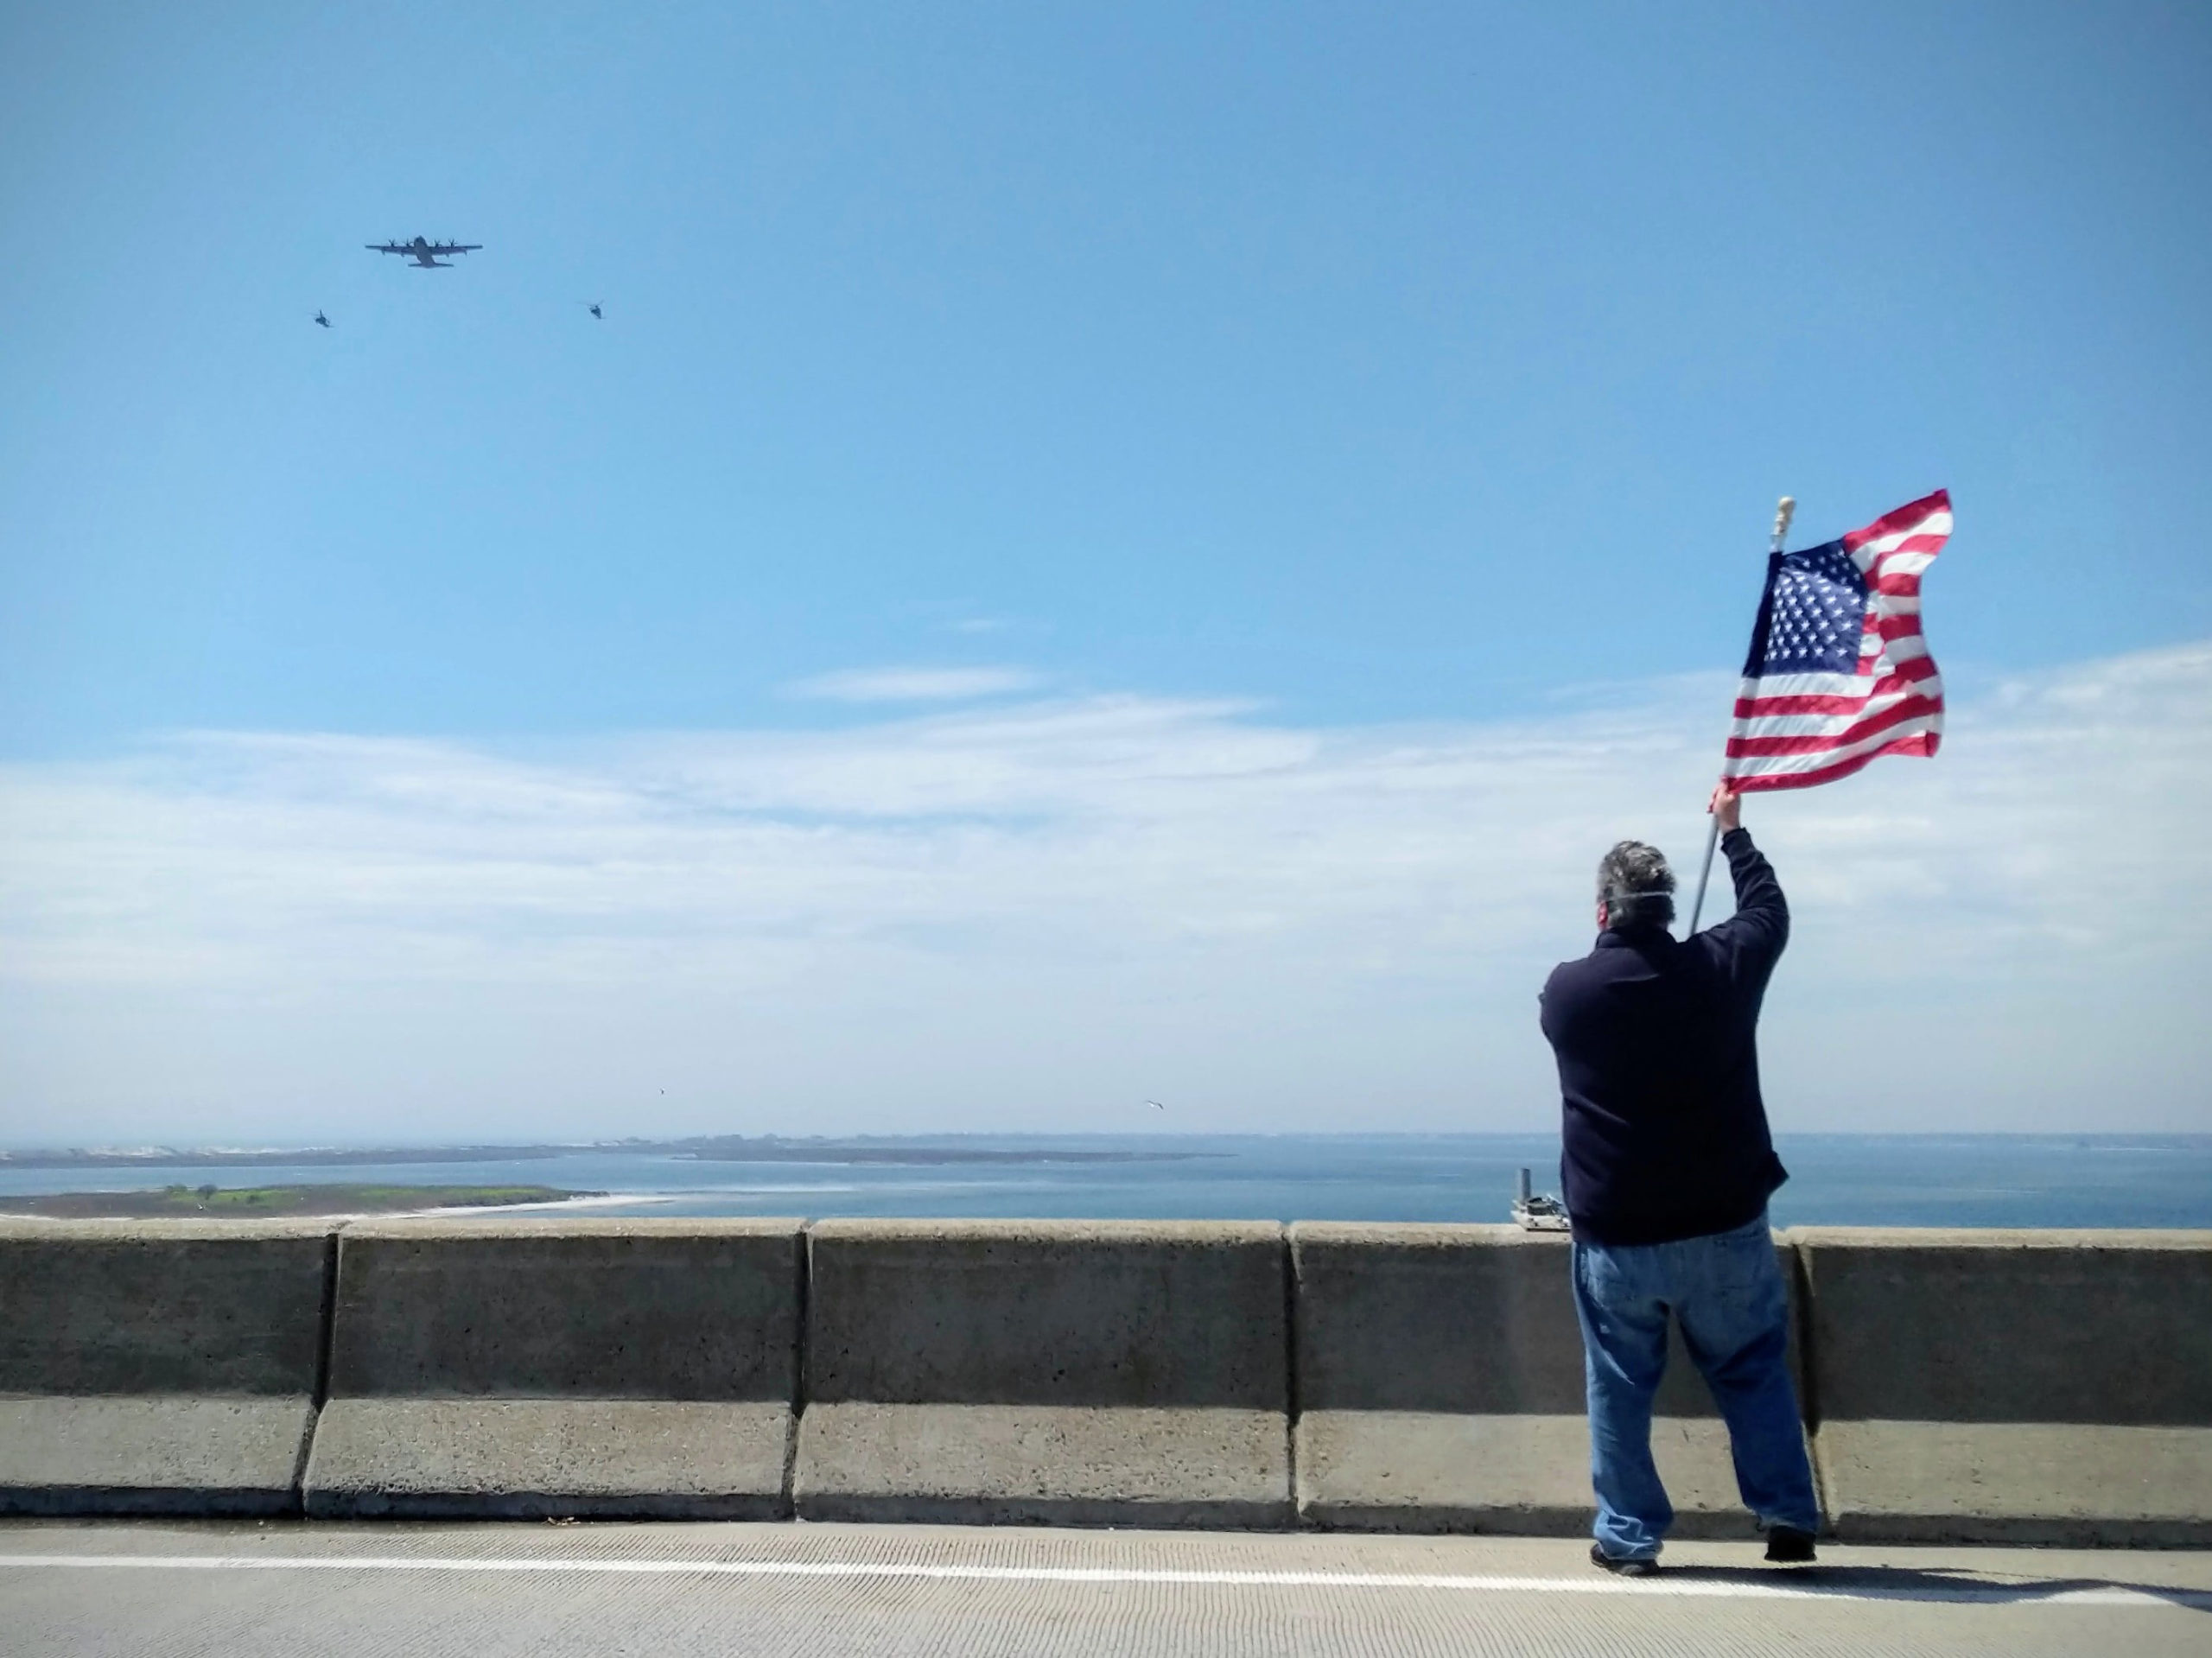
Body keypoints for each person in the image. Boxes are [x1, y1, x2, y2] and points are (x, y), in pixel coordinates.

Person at [1537, 781, 1820, 1575]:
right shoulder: (1723, 967)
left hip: (1619, 1236)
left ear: (1602, 910)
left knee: (1621, 1387)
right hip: (1725, 1225)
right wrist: (1734, 833)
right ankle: (1787, 1517)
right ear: (1666, 908)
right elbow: (1768, 912)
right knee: (1750, 1368)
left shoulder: (1567, 993)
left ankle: (1629, 1539)